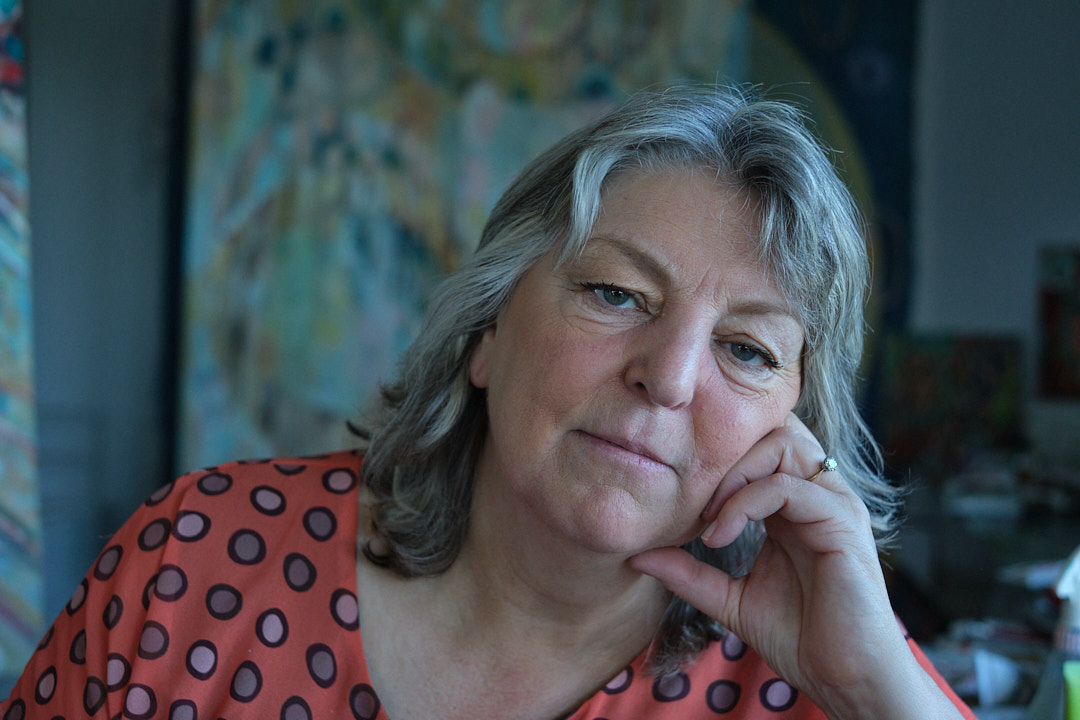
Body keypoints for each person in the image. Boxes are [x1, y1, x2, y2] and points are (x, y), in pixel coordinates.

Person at [1, 85, 976, 719]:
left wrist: (868, 686)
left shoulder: (819, 682)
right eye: (615, 294)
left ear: (791, 431)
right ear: (486, 332)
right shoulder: (195, 557)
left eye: (747, 349)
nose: (669, 377)